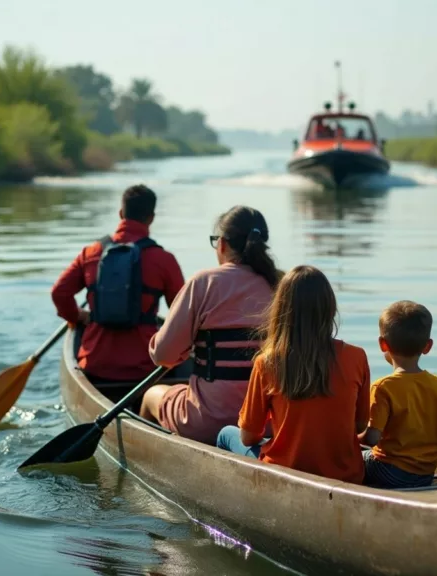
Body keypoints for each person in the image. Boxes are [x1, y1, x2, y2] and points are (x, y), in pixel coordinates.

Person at [216, 265, 370, 485]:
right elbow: (360, 425)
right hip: (347, 476)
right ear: (330, 308)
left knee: (225, 434)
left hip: (286, 474)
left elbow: (248, 437)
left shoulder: (267, 363)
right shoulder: (357, 357)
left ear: (280, 310)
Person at [139, 205, 280, 445]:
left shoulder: (203, 283)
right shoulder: (283, 285)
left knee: (151, 395)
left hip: (207, 421)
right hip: (269, 423)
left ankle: (146, 461)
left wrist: (181, 348)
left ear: (222, 244)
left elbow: (163, 356)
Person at [51, 184, 184, 384]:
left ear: (121, 213)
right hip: (146, 367)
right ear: (151, 217)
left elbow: (59, 293)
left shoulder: (91, 252)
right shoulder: (164, 259)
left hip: (95, 364)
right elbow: (182, 317)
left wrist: (77, 316)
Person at [359, 301, 437, 489]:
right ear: (427, 346)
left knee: (355, 457)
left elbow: (372, 439)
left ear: (383, 344)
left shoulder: (383, 387)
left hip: (388, 472)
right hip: (426, 474)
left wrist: (351, 438)